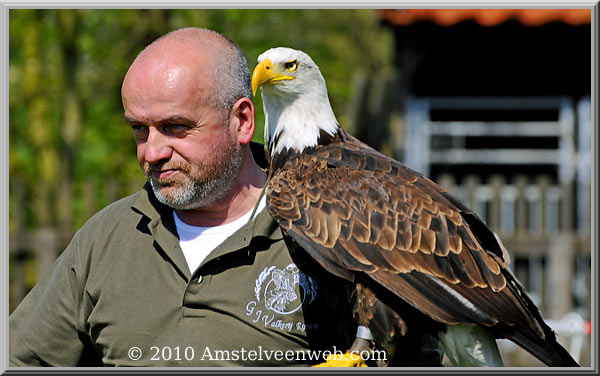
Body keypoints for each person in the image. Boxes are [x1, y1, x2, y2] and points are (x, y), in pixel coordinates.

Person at [8, 27, 356, 367]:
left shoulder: (332, 229)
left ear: (242, 120)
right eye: (139, 129)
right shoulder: (107, 239)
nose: (153, 151)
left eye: (176, 127)